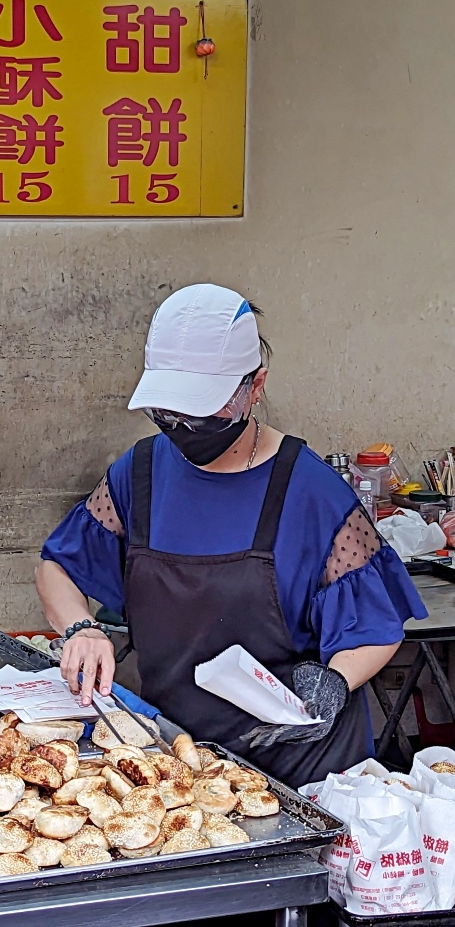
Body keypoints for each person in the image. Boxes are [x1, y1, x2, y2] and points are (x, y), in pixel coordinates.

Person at [35, 283, 427, 787]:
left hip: (299, 767)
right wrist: (80, 628)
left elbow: (375, 627)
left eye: (203, 410)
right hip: (177, 760)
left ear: (255, 386)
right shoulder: (141, 475)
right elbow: (58, 566)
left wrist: (337, 680)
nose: (184, 426)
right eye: (169, 412)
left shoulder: (311, 492)